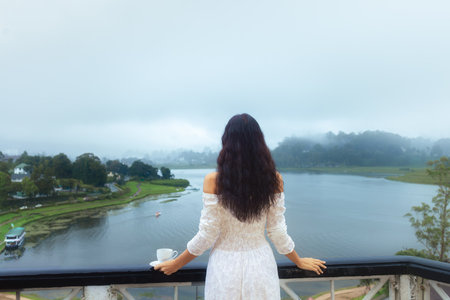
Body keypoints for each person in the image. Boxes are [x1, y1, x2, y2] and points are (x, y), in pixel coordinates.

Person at [155, 113, 326, 299]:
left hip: (224, 267)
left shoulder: (213, 181)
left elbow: (207, 234)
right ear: (260, 142)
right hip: (261, 266)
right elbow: (276, 230)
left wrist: (176, 264)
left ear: (226, 141)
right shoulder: (273, 179)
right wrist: (298, 260)